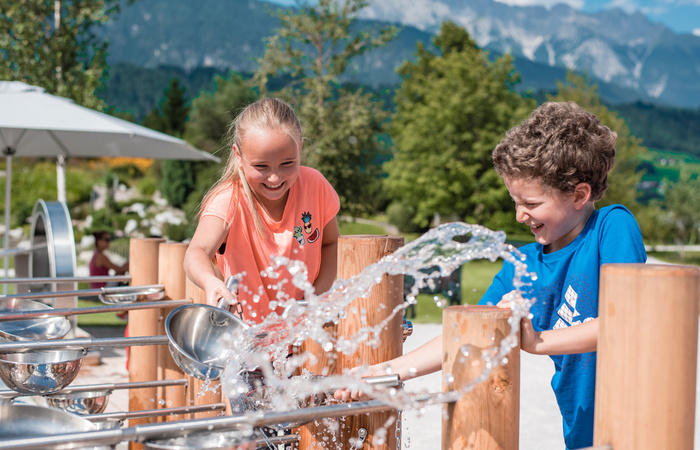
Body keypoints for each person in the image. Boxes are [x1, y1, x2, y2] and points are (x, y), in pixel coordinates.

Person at [334, 102, 647, 450]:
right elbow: (465, 335)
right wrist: (384, 372)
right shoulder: (524, 264)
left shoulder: (612, 228)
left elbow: (625, 323)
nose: (519, 215)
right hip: (582, 430)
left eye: (530, 203)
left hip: (638, 423)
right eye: (515, 201)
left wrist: (536, 341)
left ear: (579, 194)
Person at [183, 97, 340, 324]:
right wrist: (209, 281)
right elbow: (195, 253)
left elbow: (331, 243)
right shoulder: (228, 200)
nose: (275, 177)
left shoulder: (315, 185)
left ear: (301, 148)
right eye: (261, 167)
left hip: (304, 331)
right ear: (239, 156)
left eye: (287, 163)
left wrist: (315, 298)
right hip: (247, 337)